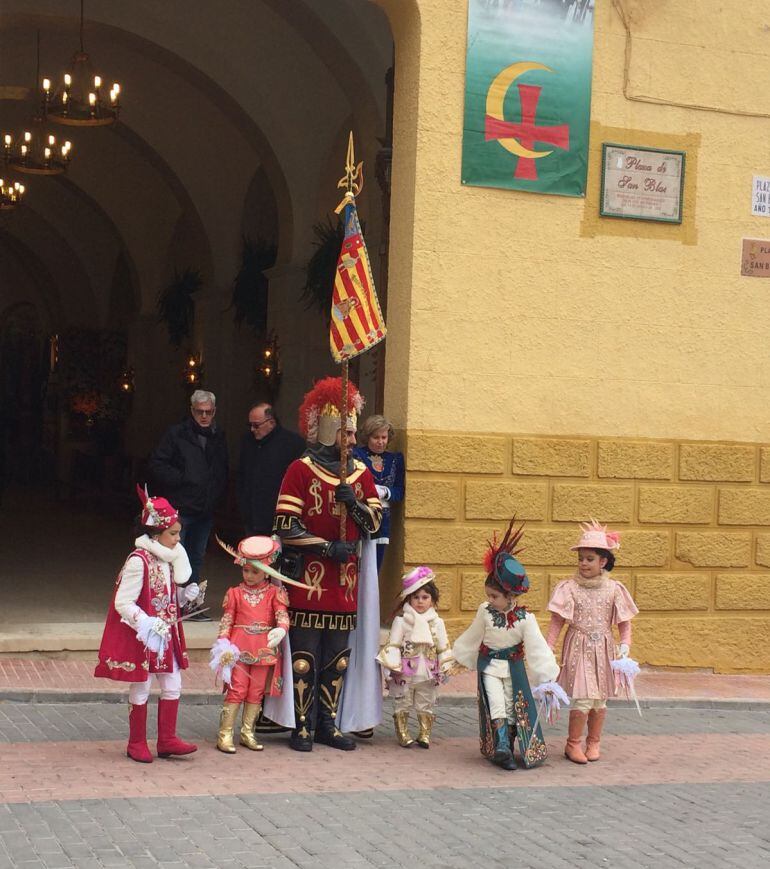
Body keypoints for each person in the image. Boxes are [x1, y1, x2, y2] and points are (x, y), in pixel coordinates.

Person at [273, 376, 382, 752]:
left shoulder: (361, 474)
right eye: (347, 433)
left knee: (337, 659)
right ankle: (301, 725)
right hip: (308, 582)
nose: (352, 441)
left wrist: (354, 503)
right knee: (304, 658)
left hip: (345, 585)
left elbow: (375, 524)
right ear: (330, 430)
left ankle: (328, 724)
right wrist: (325, 547)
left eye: (353, 434)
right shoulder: (299, 471)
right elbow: (286, 525)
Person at [94, 486, 199, 763]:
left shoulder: (168, 559)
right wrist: (146, 622)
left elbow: (164, 596)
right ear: (156, 533)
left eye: (178, 533)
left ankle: (167, 740)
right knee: (142, 685)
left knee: (173, 683)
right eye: (173, 534)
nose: (178, 539)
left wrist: (184, 597)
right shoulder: (138, 561)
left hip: (166, 635)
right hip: (146, 637)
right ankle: (136, 742)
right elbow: (123, 602)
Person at [452, 518, 560, 770]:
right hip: (489, 666)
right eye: (488, 595)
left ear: (510, 596)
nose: (489, 600)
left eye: (495, 596)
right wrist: (457, 658)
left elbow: (537, 648)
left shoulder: (525, 619)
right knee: (495, 701)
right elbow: (473, 635)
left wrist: (546, 677)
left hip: (513, 669)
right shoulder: (485, 612)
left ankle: (509, 748)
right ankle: (501, 745)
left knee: (513, 704)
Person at [546, 519, 639, 764]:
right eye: (581, 558)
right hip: (578, 645)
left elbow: (624, 621)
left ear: (603, 561)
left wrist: (625, 643)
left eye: (589, 559)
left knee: (600, 697)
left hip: (605, 648)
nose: (584, 563)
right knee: (583, 696)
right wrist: (548, 648)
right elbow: (557, 621)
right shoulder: (569, 588)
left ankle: (594, 742)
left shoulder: (614, 589)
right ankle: (572, 743)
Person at [147, 389, 228, 619]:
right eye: (200, 411)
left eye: (209, 412)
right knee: (172, 554)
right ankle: (167, 603)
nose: (204, 416)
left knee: (195, 556)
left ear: (214, 412)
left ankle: (190, 604)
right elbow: (157, 463)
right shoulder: (176, 434)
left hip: (205, 508)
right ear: (192, 411)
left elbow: (221, 468)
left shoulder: (218, 435)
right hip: (182, 507)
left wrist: (216, 492)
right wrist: (183, 480)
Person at [210, 535, 291, 754]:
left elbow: (282, 616)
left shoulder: (276, 593)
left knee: (255, 692)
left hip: (264, 648)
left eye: (255, 571)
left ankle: (248, 733)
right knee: (237, 689)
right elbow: (227, 620)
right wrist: (223, 643)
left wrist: (281, 629)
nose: (249, 575)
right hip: (238, 648)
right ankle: (225, 735)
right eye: (246, 570)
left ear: (267, 570)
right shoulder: (234, 593)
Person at [376, 566, 453, 749]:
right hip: (405, 671)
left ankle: (424, 733)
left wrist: (445, 664)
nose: (420, 602)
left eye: (425, 597)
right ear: (409, 599)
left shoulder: (437, 622)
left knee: (425, 701)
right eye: (416, 597)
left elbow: (443, 646)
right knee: (403, 701)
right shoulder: (401, 621)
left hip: (428, 670)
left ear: (433, 600)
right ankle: (402, 733)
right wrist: (392, 666)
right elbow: (393, 644)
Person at [237, 403, 305, 536]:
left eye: (256, 425)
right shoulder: (247, 441)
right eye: (250, 425)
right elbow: (242, 476)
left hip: (278, 517)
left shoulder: (292, 443)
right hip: (251, 516)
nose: (252, 429)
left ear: (271, 423)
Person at [353, 415, 404, 572]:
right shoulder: (356, 455)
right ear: (367, 437)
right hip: (359, 516)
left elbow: (399, 491)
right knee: (356, 566)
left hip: (383, 521)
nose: (381, 442)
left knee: (375, 569)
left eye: (384, 437)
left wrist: (385, 491)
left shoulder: (395, 459)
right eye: (376, 437)